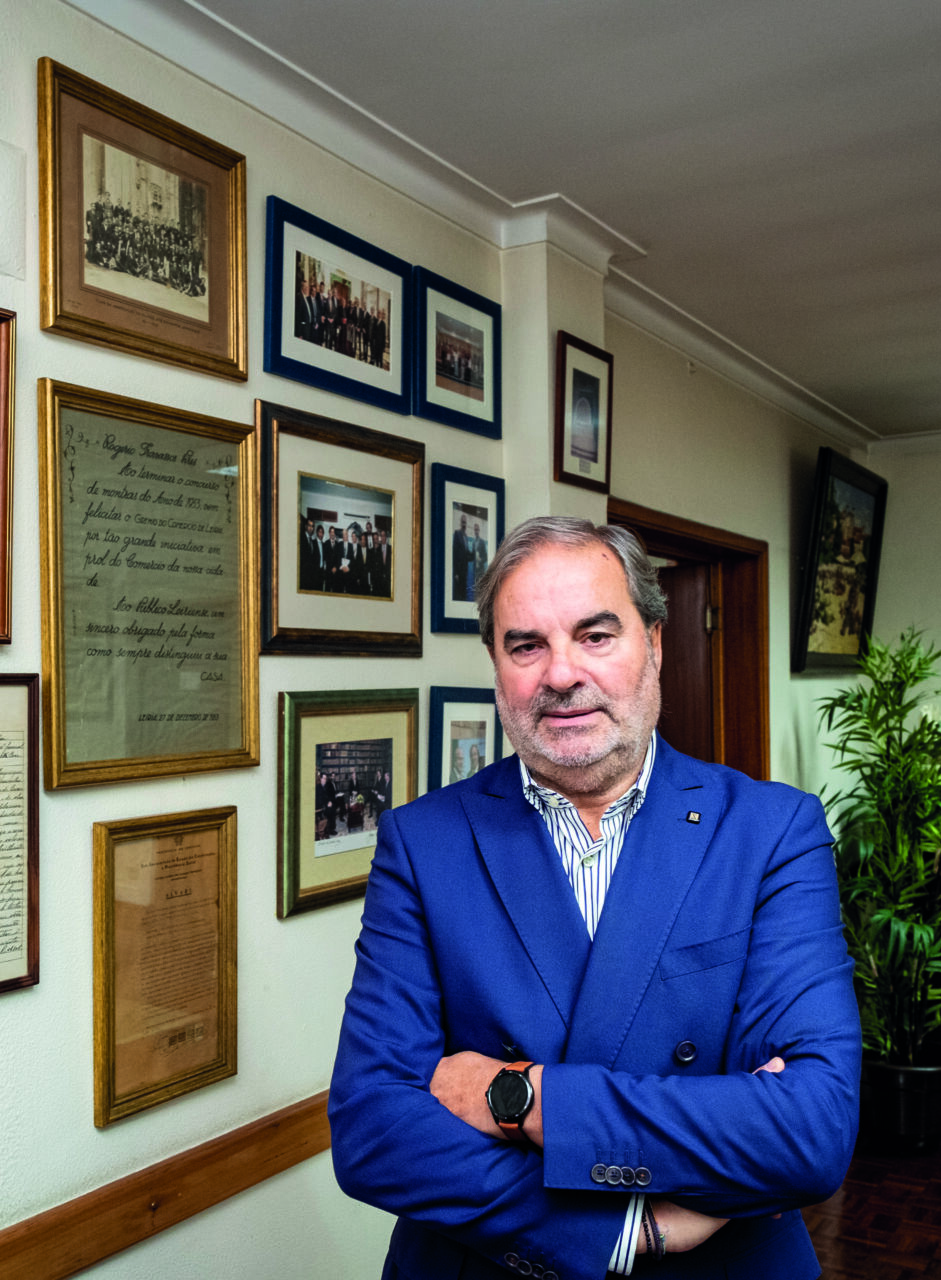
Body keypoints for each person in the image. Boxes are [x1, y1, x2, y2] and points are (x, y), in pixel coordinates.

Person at [330, 515, 860, 1278]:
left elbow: (811, 1131)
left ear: (655, 642)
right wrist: (627, 1229)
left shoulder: (772, 831)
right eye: (526, 646)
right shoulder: (424, 844)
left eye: (596, 635)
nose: (561, 673)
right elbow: (373, 1132)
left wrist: (521, 1098)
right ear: (496, 663)